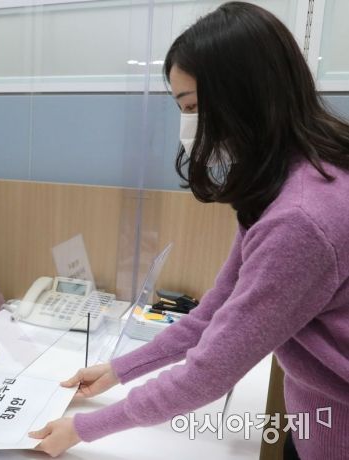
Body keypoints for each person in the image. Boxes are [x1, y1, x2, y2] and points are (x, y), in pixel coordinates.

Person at [29, 3, 349, 458]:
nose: (189, 124)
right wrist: (120, 369)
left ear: (246, 96)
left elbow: (211, 372)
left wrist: (83, 428)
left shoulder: (300, 218)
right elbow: (216, 310)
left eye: (194, 106)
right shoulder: (298, 177)